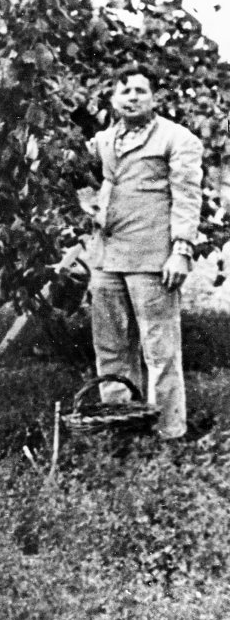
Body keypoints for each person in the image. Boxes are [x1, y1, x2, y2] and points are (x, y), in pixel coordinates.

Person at [85, 63, 202, 440]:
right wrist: (89, 204)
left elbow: (187, 198)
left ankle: (169, 432)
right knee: (110, 348)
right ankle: (122, 427)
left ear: (155, 97)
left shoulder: (176, 138)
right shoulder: (104, 140)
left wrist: (181, 250)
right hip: (107, 256)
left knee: (159, 350)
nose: (132, 97)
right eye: (124, 91)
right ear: (112, 98)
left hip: (152, 258)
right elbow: (79, 174)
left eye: (140, 90)